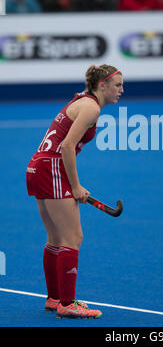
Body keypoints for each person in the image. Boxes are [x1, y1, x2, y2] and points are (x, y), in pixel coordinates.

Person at [26, 65, 124, 319]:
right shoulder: (91, 107)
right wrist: (76, 186)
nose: (121, 90)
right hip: (53, 167)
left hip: (38, 166)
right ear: (102, 85)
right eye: (117, 85)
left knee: (56, 238)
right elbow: (68, 146)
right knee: (73, 238)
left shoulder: (82, 100)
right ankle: (67, 304)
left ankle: (54, 299)